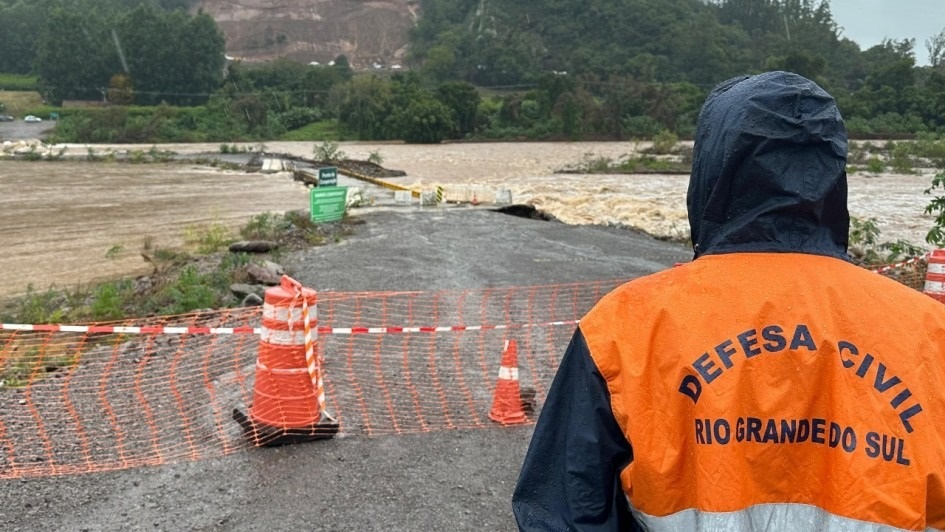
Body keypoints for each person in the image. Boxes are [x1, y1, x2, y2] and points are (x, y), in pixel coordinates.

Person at [511, 71, 945, 531]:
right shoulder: (929, 333)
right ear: (834, 177)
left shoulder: (624, 329)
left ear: (712, 172)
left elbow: (564, 513)